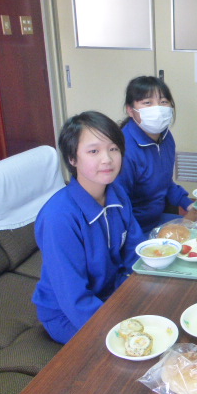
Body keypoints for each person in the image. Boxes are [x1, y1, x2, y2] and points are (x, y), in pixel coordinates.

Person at [33, 111, 146, 344]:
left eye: (113, 149)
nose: (107, 159)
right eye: (94, 151)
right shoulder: (59, 218)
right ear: (72, 159)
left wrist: (143, 290)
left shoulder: (117, 193)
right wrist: (123, 331)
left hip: (111, 293)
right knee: (140, 347)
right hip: (68, 314)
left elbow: (136, 253)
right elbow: (74, 299)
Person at [114, 76, 193, 234]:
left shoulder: (165, 137)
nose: (157, 108)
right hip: (134, 230)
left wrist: (189, 204)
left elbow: (165, 182)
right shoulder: (124, 149)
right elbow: (119, 207)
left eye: (163, 102)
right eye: (147, 103)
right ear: (130, 110)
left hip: (158, 220)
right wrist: (140, 242)